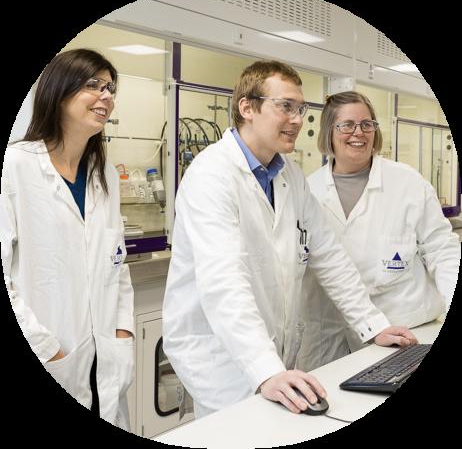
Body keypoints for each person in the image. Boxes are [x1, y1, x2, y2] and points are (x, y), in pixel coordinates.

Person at [162, 61, 417, 419]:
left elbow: (329, 254)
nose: (297, 119)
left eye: (301, 108)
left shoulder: (288, 175)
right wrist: (264, 368)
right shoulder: (212, 176)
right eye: (285, 106)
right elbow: (223, 282)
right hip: (220, 358)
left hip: (274, 356)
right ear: (247, 108)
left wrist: (373, 326)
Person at [0, 49, 135, 430]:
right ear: (58, 92)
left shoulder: (102, 172)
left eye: (110, 87)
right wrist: (46, 347)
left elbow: (117, 263)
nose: (106, 96)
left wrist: (122, 330)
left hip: (105, 359)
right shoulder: (16, 167)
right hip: (50, 354)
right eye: (93, 85)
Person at [296, 91, 460, 372]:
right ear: (328, 132)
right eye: (346, 125)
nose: (358, 133)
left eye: (367, 124)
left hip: (406, 329)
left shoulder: (407, 182)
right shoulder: (307, 190)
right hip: (330, 336)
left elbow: (442, 250)